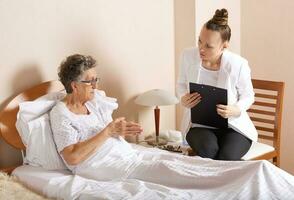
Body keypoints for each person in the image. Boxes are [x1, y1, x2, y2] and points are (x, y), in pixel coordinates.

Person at [177, 8, 257, 160]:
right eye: (199, 40)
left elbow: (248, 95)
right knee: (209, 151)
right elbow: (181, 84)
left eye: (209, 46)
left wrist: (236, 109)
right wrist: (183, 98)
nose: (201, 48)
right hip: (199, 126)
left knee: (226, 156)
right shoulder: (188, 56)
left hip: (233, 127)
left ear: (224, 46)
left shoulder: (238, 64)